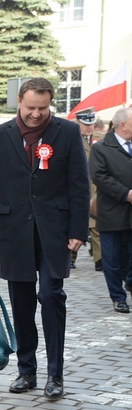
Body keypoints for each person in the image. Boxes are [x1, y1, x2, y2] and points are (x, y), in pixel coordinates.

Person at [0, 77, 89, 401]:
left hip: (55, 233)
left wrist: (79, 230)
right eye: (31, 108)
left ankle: (55, 374)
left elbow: (80, 184)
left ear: (50, 103)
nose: (36, 114)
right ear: (19, 103)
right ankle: (26, 371)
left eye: (43, 108)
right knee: (21, 307)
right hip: (15, 233)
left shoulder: (67, 132)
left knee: (51, 298)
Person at [89, 107, 132, 313]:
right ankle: (118, 297)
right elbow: (99, 176)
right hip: (112, 212)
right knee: (112, 258)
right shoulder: (102, 147)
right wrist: (126, 194)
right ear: (122, 124)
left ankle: (129, 281)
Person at [76, 107, 105, 272]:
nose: (89, 127)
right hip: (78, 187)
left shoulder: (100, 139)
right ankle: (71, 257)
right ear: (78, 123)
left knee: (96, 226)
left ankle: (99, 259)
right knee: (74, 223)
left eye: (91, 123)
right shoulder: (73, 139)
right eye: (85, 124)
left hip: (96, 188)